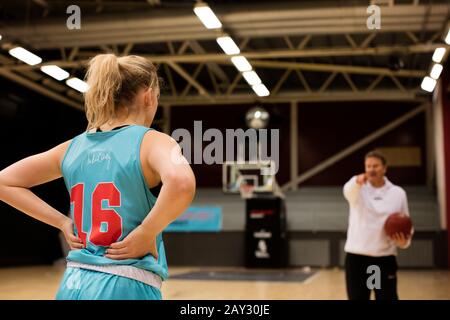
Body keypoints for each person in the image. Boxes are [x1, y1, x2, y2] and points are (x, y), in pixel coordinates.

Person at [0, 54, 196, 300]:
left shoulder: (72, 147)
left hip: (73, 282)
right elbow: (182, 182)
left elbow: (4, 182)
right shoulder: (152, 141)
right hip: (126, 282)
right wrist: (147, 232)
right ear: (148, 96)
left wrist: (62, 222)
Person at [343, 150, 412, 300]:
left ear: (385, 168)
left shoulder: (398, 193)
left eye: (375, 166)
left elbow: (407, 223)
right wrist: (356, 180)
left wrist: (404, 242)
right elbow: (347, 190)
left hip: (383, 259)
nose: (371, 169)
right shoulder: (357, 189)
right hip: (357, 258)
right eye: (368, 166)